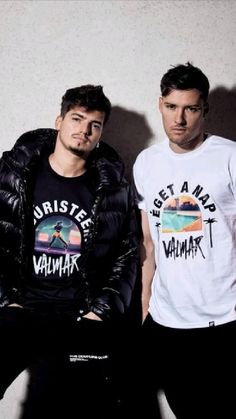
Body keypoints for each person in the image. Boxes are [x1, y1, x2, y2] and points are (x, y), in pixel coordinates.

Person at [0, 84, 138, 418]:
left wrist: (100, 312)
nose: (84, 130)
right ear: (59, 121)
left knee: (69, 404)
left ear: (101, 133)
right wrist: (7, 299)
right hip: (21, 307)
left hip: (78, 314)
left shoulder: (113, 187)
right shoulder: (16, 173)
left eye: (95, 124)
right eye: (77, 119)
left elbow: (128, 253)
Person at [133, 62, 236, 418]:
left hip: (223, 319)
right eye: (171, 107)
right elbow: (148, 240)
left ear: (204, 109)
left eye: (190, 108)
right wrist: (145, 305)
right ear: (160, 104)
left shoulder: (229, 157)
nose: (179, 119)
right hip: (166, 320)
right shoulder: (147, 163)